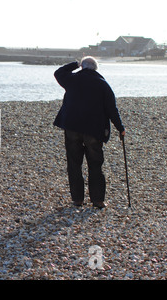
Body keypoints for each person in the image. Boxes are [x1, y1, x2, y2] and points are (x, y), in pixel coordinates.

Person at [53, 56, 126, 208]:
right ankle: (98, 200)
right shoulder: (102, 84)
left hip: (72, 126)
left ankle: (78, 199)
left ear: (82, 67)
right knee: (95, 164)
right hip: (94, 129)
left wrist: (74, 64)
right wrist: (120, 128)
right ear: (96, 68)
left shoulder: (72, 79)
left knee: (74, 163)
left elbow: (58, 72)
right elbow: (112, 109)